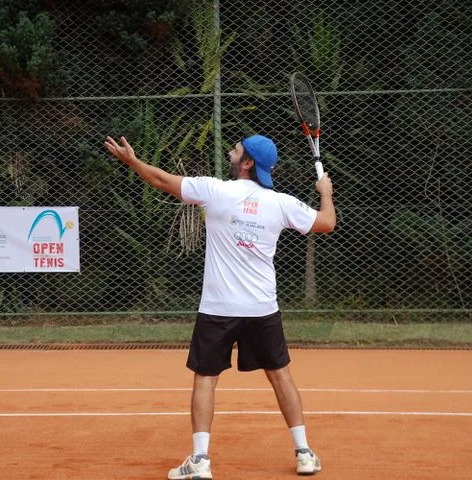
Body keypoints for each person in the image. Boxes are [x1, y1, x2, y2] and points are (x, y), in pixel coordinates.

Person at [104, 133, 336, 479]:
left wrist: (132, 161)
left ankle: (200, 461)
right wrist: (326, 194)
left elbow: (161, 179)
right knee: (281, 377)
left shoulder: (216, 191)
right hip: (261, 309)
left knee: (205, 380)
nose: (231, 149)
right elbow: (327, 223)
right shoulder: (281, 203)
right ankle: (304, 453)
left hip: (219, 309)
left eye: (237, 148)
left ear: (247, 164)